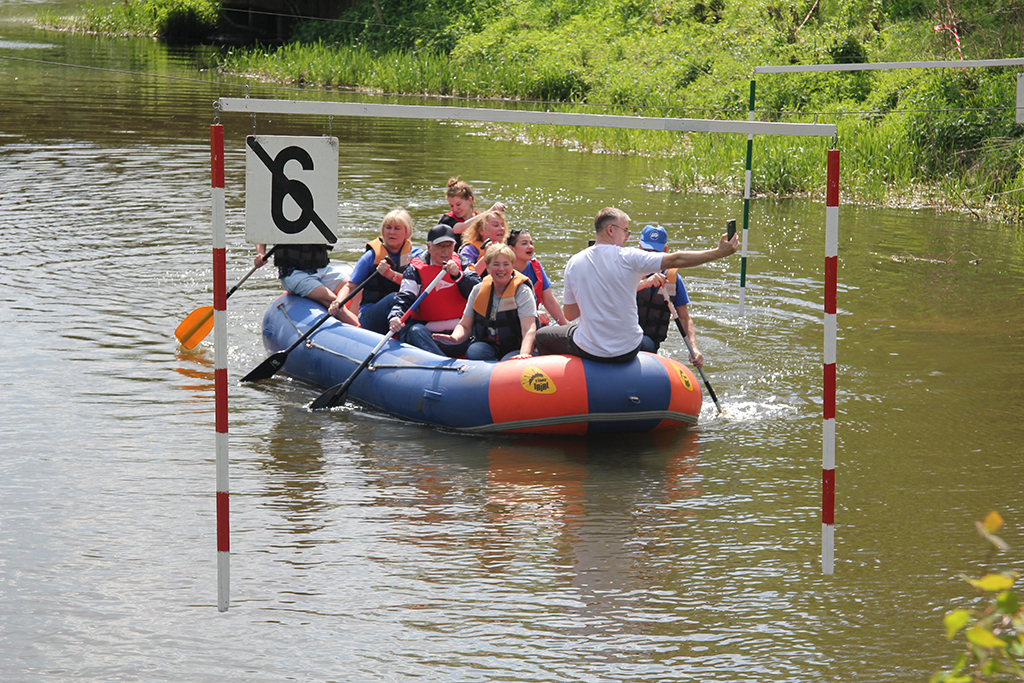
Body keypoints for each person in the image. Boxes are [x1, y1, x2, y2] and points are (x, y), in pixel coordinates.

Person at [534, 207, 738, 363]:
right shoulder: (630, 258)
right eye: (625, 231)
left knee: (542, 336)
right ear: (611, 230)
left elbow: (570, 315)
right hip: (628, 349)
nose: (627, 237)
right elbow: (676, 259)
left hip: (590, 349)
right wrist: (718, 253)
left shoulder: (574, 262)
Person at [388, 224, 481, 358]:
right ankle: (440, 363)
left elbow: (478, 292)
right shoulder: (414, 269)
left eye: (449, 246)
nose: (445, 251)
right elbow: (404, 297)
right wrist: (395, 316)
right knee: (415, 331)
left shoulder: (464, 263)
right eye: (440, 246)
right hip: (428, 334)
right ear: (429, 247)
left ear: (454, 246)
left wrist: (459, 276)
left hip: (459, 333)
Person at [433, 244, 538, 361]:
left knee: (507, 361)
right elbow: (465, 325)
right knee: (474, 351)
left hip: (516, 347)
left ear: (513, 266)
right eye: (496, 264)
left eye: (506, 264)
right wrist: (455, 338)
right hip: (490, 346)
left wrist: (524, 353)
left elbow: (529, 328)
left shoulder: (522, 291)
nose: (501, 269)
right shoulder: (478, 290)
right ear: (488, 267)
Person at [328, 210, 424, 334]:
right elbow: (350, 286)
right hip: (371, 315)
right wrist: (338, 301)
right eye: (388, 228)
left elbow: (421, 285)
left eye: (397, 228)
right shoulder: (371, 257)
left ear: (407, 232)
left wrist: (391, 275)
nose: (392, 232)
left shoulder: (418, 256)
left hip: (404, 312)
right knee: (394, 298)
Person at [634, 224, 704, 367]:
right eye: (647, 250)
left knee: (645, 343)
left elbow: (684, 318)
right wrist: (645, 283)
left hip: (648, 343)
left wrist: (694, 349)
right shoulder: (628, 270)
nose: (651, 255)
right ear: (639, 247)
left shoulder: (673, 279)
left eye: (656, 251)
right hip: (622, 335)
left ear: (665, 250)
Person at [255, 242, 355, 320]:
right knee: (332, 300)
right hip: (293, 273)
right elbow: (262, 231)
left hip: (322, 269)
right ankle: (358, 327)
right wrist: (261, 253)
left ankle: (355, 323)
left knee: (356, 288)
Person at [506, 227, 569, 327]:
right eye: (524, 243)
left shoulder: (536, 268)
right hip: (511, 325)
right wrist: (533, 314)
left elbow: (550, 302)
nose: (530, 247)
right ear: (511, 249)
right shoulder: (504, 270)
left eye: (531, 243)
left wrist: (566, 328)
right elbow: (503, 306)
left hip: (534, 322)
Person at [438, 177, 505, 242]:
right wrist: (490, 211)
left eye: (458, 204)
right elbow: (462, 228)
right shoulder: (446, 220)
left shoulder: (481, 218)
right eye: (451, 206)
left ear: (470, 200)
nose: (455, 209)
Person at [458, 210, 507, 277]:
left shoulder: (506, 249)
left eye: (502, 225)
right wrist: (485, 257)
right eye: (496, 225)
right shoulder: (469, 250)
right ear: (481, 230)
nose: (501, 228)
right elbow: (466, 277)